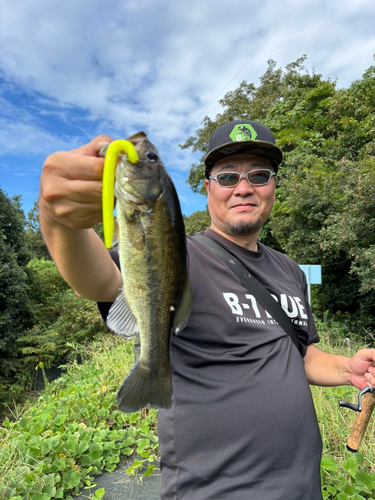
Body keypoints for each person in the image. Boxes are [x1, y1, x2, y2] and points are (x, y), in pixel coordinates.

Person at [39, 119, 375, 500]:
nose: (244, 188)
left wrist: (348, 368)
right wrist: (59, 222)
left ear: (274, 186)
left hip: (301, 486)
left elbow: (301, 353)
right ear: (208, 189)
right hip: (213, 490)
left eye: (259, 175)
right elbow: (96, 282)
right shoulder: (179, 250)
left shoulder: (290, 270)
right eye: (228, 177)